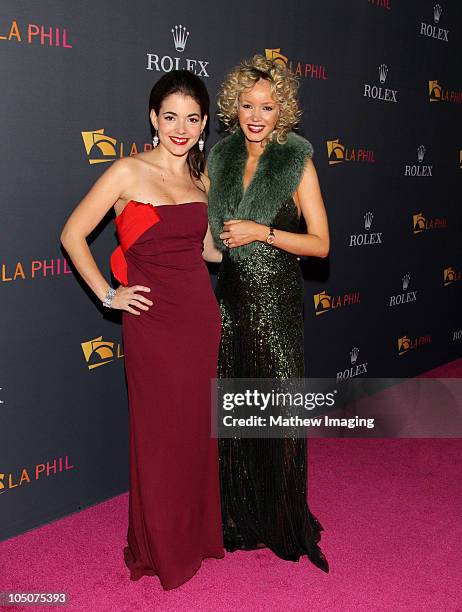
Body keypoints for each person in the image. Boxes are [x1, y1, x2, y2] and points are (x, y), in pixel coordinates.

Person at [60, 70, 224, 590]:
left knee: (196, 431)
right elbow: (72, 235)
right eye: (170, 116)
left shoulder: (203, 180)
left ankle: (194, 535)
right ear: (153, 118)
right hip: (152, 323)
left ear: (203, 125)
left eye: (192, 119)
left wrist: (253, 242)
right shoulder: (127, 172)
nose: (181, 128)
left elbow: (206, 251)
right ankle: (161, 547)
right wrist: (109, 296)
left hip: (200, 317)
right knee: (159, 437)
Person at [207, 55, 330, 571]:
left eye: (268, 106)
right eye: (247, 104)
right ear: (234, 107)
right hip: (231, 303)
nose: (256, 115)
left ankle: (281, 518)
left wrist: (262, 232)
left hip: (277, 303)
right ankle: (238, 516)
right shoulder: (218, 160)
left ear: (284, 111)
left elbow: (321, 245)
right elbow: (213, 247)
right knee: (236, 414)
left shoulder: (297, 160)